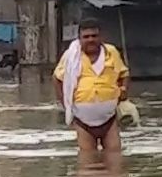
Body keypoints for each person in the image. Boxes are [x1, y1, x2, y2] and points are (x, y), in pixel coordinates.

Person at [55, 18, 130, 168]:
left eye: (94, 36)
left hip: (109, 118)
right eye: (86, 37)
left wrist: (123, 90)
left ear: (101, 37)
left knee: (115, 161)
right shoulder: (71, 56)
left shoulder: (111, 52)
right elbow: (57, 78)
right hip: (83, 121)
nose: (91, 40)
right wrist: (65, 104)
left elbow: (124, 74)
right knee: (88, 165)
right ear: (80, 38)